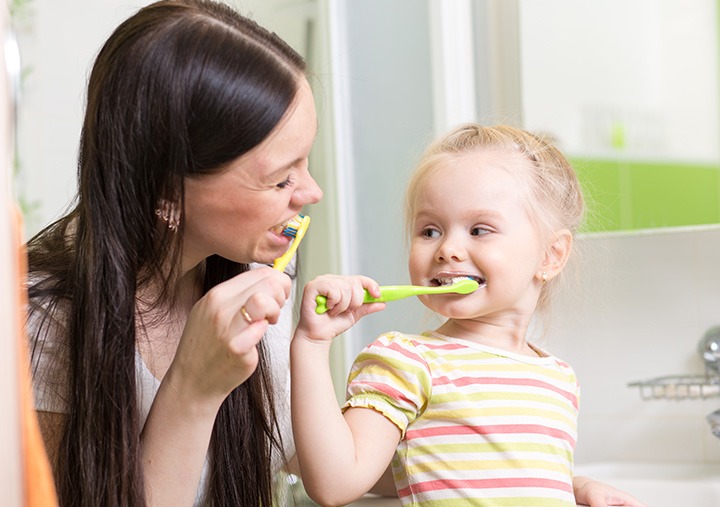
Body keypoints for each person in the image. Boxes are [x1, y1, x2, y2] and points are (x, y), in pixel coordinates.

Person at [24, 0, 323, 505]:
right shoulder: (39, 321)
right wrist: (193, 388)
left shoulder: (259, 271)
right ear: (166, 194)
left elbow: (308, 461)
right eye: (281, 179)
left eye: (306, 162)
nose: (311, 192)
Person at [291, 123, 647, 506]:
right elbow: (337, 482)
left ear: (550, 256)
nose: (448, 249)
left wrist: (574, 487)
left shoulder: (558, 379)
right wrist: (312, 344)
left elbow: (471, 472)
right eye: (430, 231)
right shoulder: (407, 362)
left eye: (479, 230)